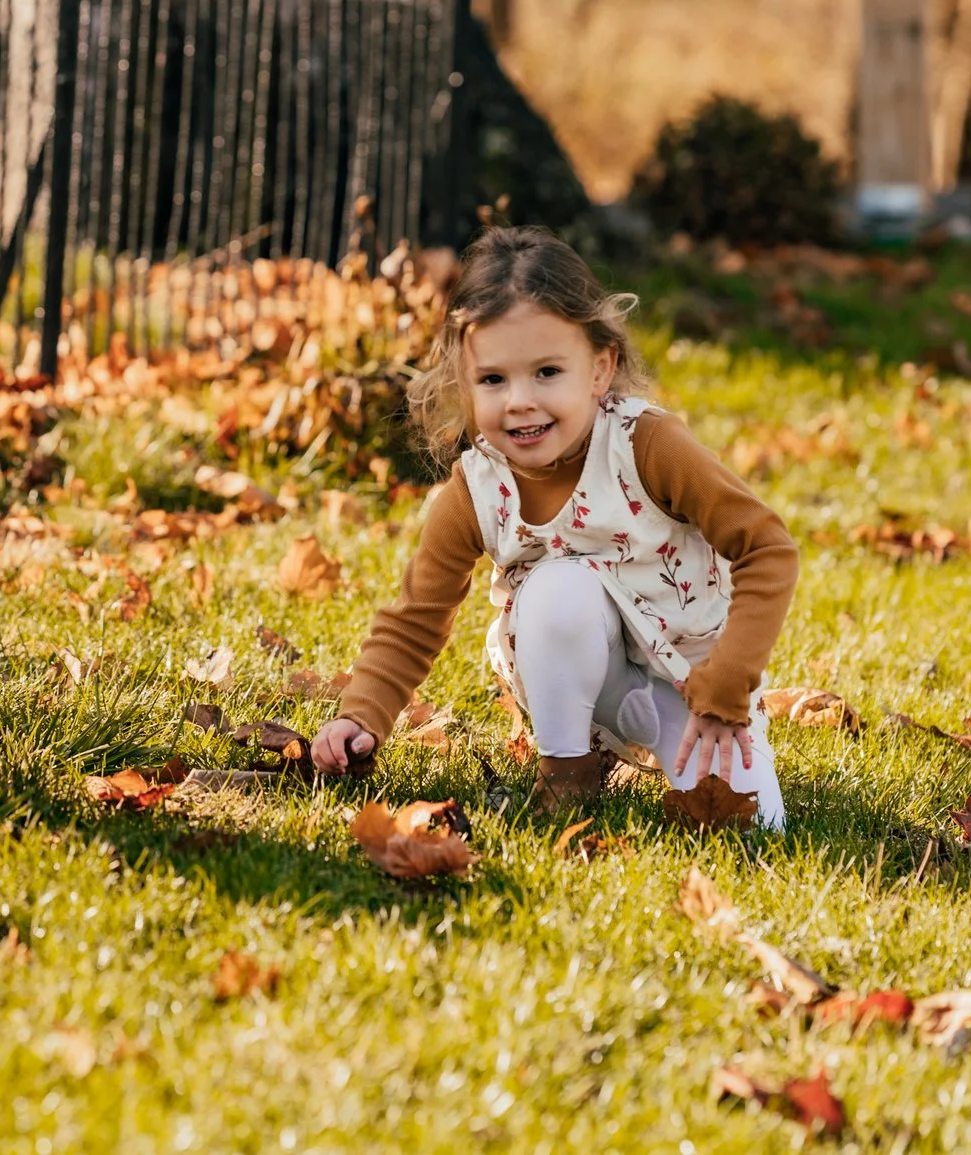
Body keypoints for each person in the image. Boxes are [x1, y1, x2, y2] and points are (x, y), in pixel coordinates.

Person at [310, 227, 797, 828]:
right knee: (559, 588)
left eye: (546, 372)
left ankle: (673, 741)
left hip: (695, 683)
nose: (519, 400)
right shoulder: (478, 487)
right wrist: (360, 717)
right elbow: (416, 618)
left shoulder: (646, 446)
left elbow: (768, 550)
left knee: (750, 823)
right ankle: (569, 770)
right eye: (493, 380)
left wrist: (728, 684)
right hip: (572, 678)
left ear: (599, 368)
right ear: (464, 384)